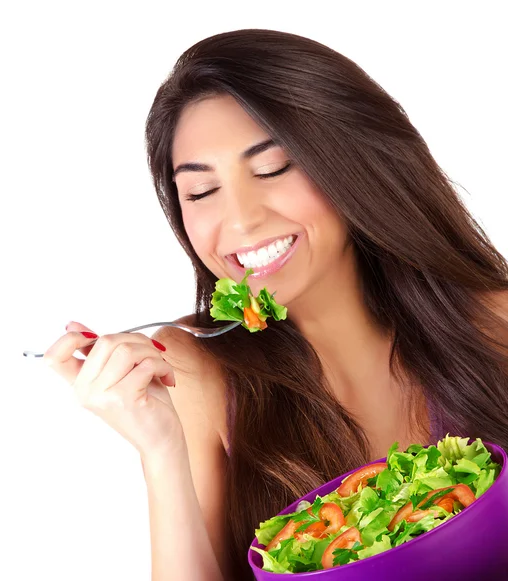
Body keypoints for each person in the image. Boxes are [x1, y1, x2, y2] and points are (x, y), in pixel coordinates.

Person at [43, 29, 508, 581]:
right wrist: (159, 450)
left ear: (355, 166)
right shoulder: (193, 371)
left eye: (273, 169)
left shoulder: (496, 322)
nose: (240, 221)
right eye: (200, 192)